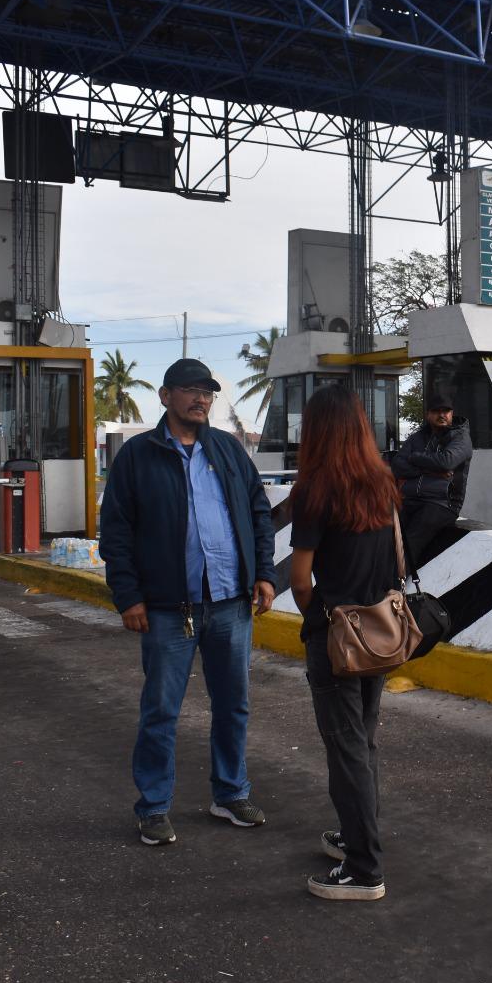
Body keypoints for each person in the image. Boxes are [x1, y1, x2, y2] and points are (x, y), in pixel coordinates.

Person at [100, 358, 278, 847]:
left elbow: (259, 513)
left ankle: (229, 793)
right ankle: (154, 806)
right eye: (190, 391)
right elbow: (115, 532)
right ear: (165, 396)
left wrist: (264, 572)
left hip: (229, 605)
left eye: (208, 392)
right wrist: (128, 596)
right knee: (160, 710)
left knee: (233, 705)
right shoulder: (137, 456)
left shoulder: (228, 449)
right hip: (166, 609)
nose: (201, 399)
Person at [287, 385, 402, 902]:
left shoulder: (316, 488)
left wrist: (315, 613)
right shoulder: (381, 481)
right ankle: (359, 836)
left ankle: (363, 868)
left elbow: (301, 577)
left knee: (345, 747)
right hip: (379, 630)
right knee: (364, 741)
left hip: (336, 636)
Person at [390, 391, 471, 566]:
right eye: (436, 411)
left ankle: (395, 587)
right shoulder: (417, 438)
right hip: (411, 499)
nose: (442, 415)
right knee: (385, 534)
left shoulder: (460, 437)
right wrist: (429, 471)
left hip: (443, 503)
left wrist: (414, 458)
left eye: (446, 411)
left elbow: (445, 462)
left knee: (411, 541)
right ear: (428, 414)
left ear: (452, 413)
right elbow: (397, 466)